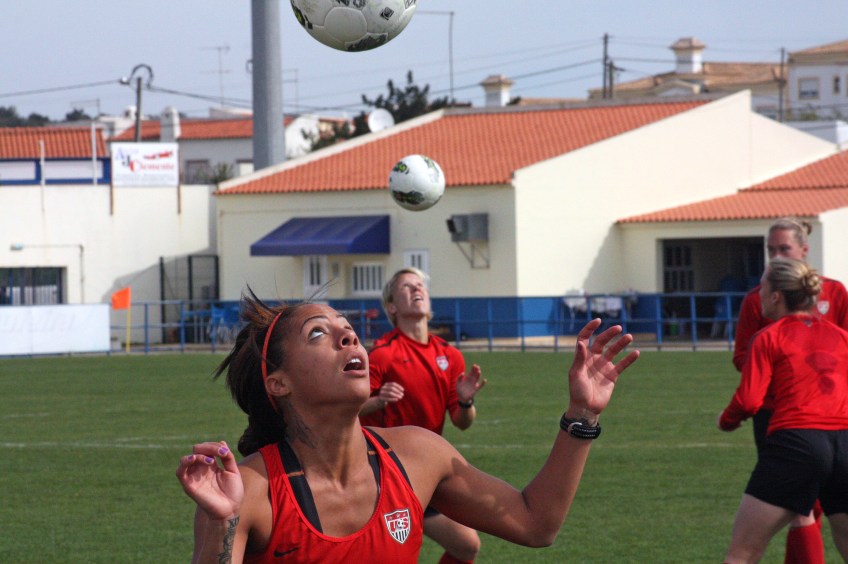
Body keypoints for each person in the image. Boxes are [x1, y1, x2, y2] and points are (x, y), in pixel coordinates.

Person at [176, 289, 639, 563]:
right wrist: (220, 522)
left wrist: (584, 413)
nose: (348, 335)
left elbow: (536, 524)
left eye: (347, 327)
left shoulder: (420, 455)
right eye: (318, 333)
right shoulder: (251, 490)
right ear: (277, 382)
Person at [731, 218, 848, 563]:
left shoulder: (835, 292)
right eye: (771, 250)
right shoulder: (757, 298)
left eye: (784, 248)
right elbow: (742, 355)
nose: (776, 255)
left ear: (804, 250)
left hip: (830, 417)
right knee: (801, 507)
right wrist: (781, 374)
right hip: (777, 415)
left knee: (829, 513)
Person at [358, 268, 486, 564]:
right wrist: (378, 401)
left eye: (420, 286)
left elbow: (461, 422)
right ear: (392, 307)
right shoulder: (382, 354)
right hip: (383, 471)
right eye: (406, 287)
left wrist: (465, 403)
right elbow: (348, 410)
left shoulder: (450, 356)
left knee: (467, 545)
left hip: (426, 468)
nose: (417, 290)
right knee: (388, 554)